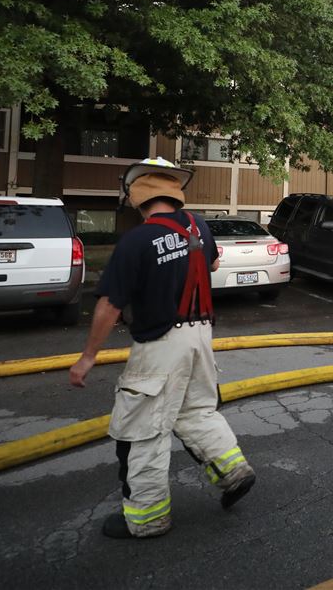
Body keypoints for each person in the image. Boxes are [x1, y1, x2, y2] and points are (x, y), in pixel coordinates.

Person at [70, 157, 255, 539]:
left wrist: (88, 357)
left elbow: (110, 304)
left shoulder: (137, 240)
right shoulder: (198, 226)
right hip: (201, 337)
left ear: (137, 198)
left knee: (142, 431)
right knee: (197, 411)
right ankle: (233, 471)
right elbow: (213, 264)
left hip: (161, 345)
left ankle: (147, 518)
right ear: (175, 194)